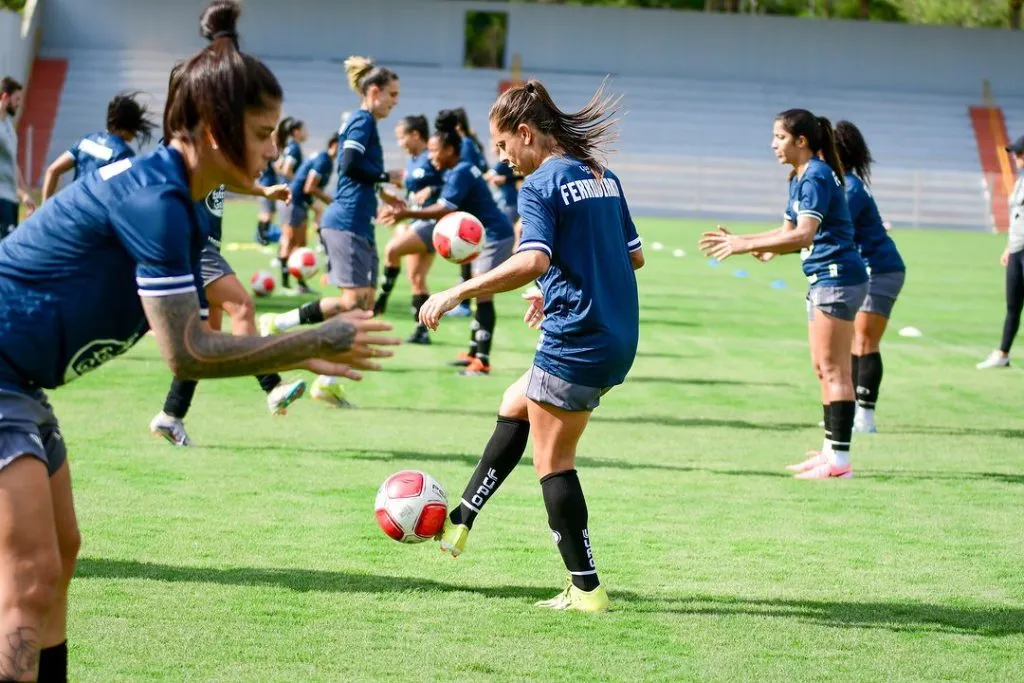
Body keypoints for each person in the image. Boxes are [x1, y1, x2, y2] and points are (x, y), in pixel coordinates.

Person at [0, 3, 398, 679]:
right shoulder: (157, 204)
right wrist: (305, 342)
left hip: (21, 381)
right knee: (30, 578)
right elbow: (185, 351)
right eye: (264, 133)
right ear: (215, 132)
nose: (274, 149)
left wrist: (222, 38)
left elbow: (213, 80)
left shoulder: (178, 197)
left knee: (62, 554)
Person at [418, 79, 644, 613]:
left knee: (553, 463)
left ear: (525, 133)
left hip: (577, 339)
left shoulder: (540, 184)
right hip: (617, 336)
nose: (501, 158)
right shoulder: (602, 177)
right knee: (513, 403)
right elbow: (631, 257)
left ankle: (585, 589)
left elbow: (534, 258)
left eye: (502, 145)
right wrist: (552, 288)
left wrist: (457, 289)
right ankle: (464, 519)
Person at [698, 109, 868, 479]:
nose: (773, 144)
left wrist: (742, 245)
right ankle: (830, 451)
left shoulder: (817, 176)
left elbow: (805, 234)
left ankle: (840, 461)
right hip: (823, 278)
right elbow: (788, 230)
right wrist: (758, 243)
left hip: (838, 277)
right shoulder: (799, 177)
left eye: (779, 137)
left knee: (835, 368)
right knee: (823, 368)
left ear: (801, 141)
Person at [259, 55, 401, 407]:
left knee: (363, 306)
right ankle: (279, 324)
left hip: (359, 222)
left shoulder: (368, 124)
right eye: (392, 95)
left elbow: (360, 172)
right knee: (354, 303)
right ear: (374, 91)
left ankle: (327, 381)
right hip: (346, 222)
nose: (395, 102)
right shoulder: (360, 120)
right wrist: (385, 178)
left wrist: (387, 195)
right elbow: (351, 165)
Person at [380, 112, 515, 374]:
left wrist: (405, 213)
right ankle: (474, 352)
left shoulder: (461, 171)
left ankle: (482, 361)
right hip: (487, 235)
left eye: (434, 151)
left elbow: (444, 209)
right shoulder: (457, 170)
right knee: (476, 292)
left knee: (482, 294)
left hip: (495, 235)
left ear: (450, 150)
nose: (431, 157)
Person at [833, 120, 906, 433]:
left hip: (880, 269)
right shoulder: (840, 185)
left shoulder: (851, 188)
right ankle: (851, 413)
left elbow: (832, 230)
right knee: (850, 341)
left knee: (864, 341)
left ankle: (866, 416)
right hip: (860, 271)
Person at [373, 114, 445, 345]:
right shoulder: (413, 160)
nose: (400, 143)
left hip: (433, 223)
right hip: (418, 221)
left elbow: (450, 181)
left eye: (401, 137)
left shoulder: (432, 156)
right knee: (416, 277)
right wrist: (391, 198)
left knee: (392, 250)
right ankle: (422, 330)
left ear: (415, 135)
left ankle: (380, 300)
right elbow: (413, 191)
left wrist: (433, 189)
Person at [41, 92, 156, 201]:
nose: (136, 133)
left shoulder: (87, 141)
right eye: (135, 127)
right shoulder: (122, 153)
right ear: (124, 126)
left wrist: (44, 209)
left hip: (73, 208)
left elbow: (53, 170)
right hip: (95, 217)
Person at [976, 134, 1024, 370]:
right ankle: (1002, 353)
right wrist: (1008, 246)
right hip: (1017, 249)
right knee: (1013, 305)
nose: (1016, 157)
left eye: (1020, 153)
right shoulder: (1020, 181)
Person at [273, 117, 311, 291]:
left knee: (300, 241)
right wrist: (299, 183)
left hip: (294, 200)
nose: (307, 133)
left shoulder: (290, 147)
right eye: (304, 129)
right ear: (296, 132)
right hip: (292, 200)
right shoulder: (294, 148)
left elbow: (278, 166)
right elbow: (286, 169)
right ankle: (286, 283)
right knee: (290, 241)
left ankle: (300, 283)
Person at [0, 77, 34, 240]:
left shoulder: (9, 126)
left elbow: (13, 163)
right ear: (5, 97)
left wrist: (24, 194)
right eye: (16, 99)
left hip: (10, 199)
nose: (19, 103)